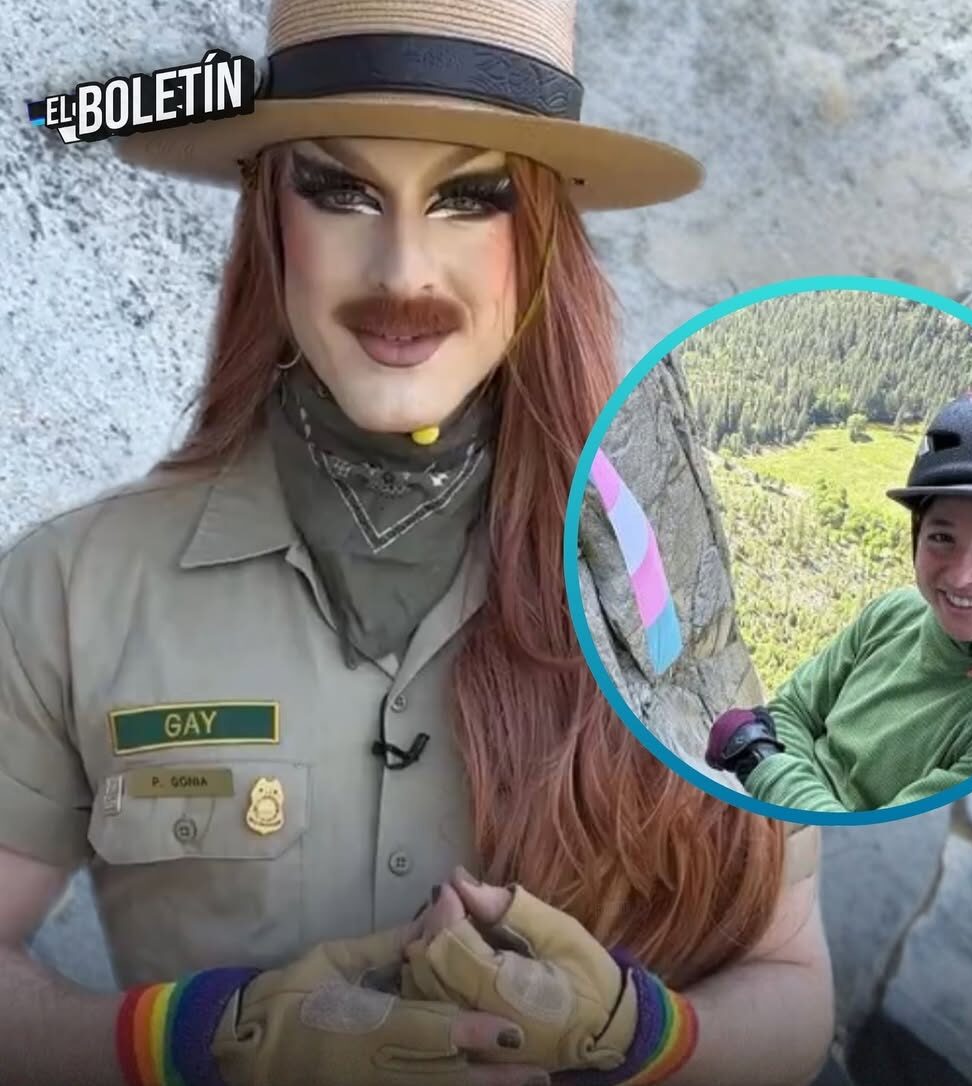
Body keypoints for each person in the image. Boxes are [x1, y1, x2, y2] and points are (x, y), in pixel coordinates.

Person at [0, 2, 834, 1084]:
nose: (403, 269)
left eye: (470, 196)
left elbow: (789, 977)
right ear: (268, 217)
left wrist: (636, 1036)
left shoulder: (681, 578)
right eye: (341, 190)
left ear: (540, 234)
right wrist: (191, 1042)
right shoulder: (72, 586)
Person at [707, 383, 972, 813]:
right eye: (942, 536)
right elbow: (790, 710)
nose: (960, 576)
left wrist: (759, 759)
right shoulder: (896, 613)